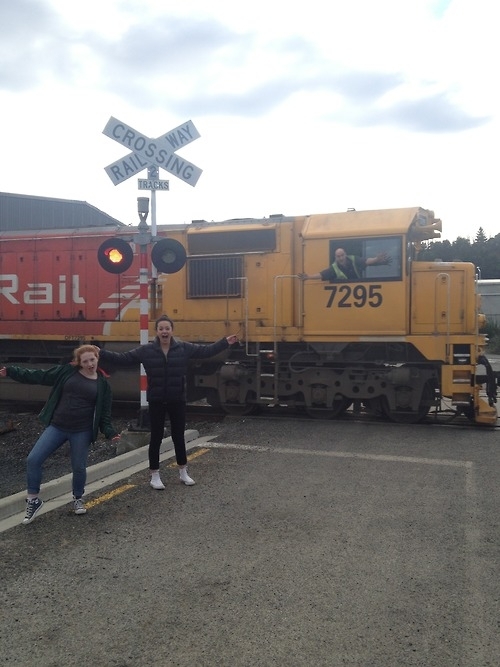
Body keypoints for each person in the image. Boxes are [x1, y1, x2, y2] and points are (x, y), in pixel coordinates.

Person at [97, 315, 239, 490]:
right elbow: (123, 359)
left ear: (172, 330)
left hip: (177, 398)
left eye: (167, 328)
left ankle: (183, 472)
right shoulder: (146, 350)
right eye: (161, 328)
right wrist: (100, 352)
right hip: (156, 399)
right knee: (156, 437)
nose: (164, 331)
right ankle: (155, 475)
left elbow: (206, 352)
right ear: (156, 332)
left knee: (178, 437)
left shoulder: (183, 348)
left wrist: (225, 342)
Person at [0, 345, 121, 525]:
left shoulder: (103, 385)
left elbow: (104, 415)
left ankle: (78, 498)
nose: (90, 364)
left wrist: (110, 433)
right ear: (79, 362)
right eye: (85, 361)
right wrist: (12, 371)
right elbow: (39, 376)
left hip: (82, 430)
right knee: (33, 459)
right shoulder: (66, 372)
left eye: (92, 359)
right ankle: (33, 500)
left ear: (97, 359)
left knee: (78, 467)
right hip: (58, 427)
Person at [299, 247, 391, 282]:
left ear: (345, 254)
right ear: (335, 257)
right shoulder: (334, 268)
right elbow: (322, 274)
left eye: (342, 255)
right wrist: (308, 277)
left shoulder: (354, 259)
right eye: (338, 256)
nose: (341, 258)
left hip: (359, 286)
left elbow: (366, 261)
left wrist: (376, 259)